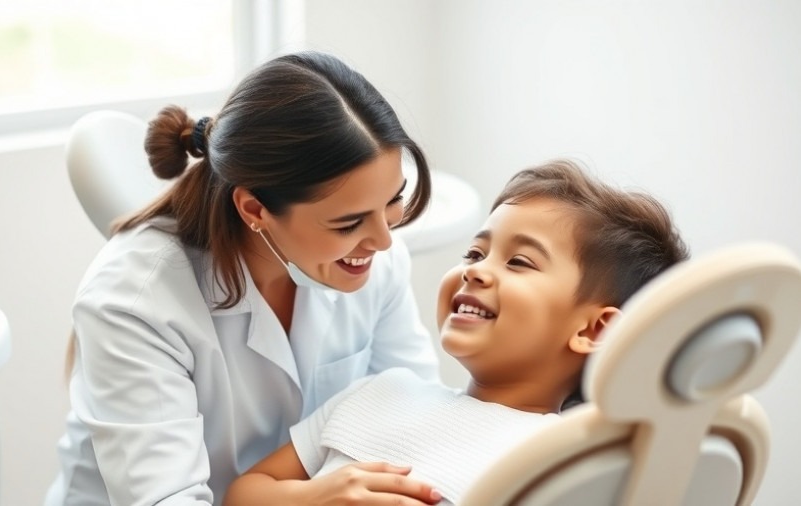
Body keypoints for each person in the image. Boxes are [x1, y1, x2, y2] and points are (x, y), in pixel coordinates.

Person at [44, 51, 443, 506]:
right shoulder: (133, 301)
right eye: (348, 223)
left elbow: (411, 413)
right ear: (254, 209)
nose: (383, 241)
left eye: (393, 201)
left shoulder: (373, 258)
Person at [223, 159, 690, 506]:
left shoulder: (567, 459)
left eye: (519, 262)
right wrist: (311, 500)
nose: (477, 272)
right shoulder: (378, 393)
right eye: (473, 254)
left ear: (593, 328)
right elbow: (245, 492)